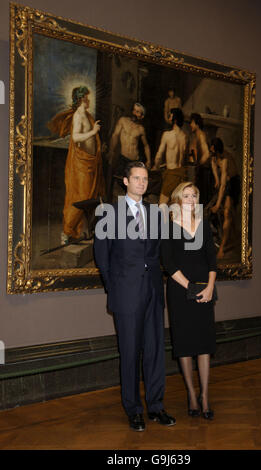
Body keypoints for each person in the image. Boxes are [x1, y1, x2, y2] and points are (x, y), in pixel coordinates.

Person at [94, 161, 176, 432]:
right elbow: (102, 256)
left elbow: (160, 252)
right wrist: (114, 287)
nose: (142, 182)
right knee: (129, 353)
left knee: (154, 350)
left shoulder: (154, 213)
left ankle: (156, 406)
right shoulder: (110, 213)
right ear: (126, 182)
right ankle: (133, 409)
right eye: (137, 178)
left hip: (153, 290)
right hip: (126, 293)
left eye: (145, 179)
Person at [161, 182, 217, 419]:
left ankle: (205, 396)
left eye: (194, 195)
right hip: (180, 292)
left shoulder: (204, 226)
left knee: (204, 344)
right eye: (186, 195)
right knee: (184, 345)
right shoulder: (168, 227)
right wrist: (191, 287)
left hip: (205, 291)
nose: (191, 199)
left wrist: (211, 287)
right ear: (177, 199)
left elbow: (212, 261)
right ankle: (192, 395)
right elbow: (168, 263)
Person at [48, 86, 105, 244]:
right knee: (81, 197)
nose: (89, 100)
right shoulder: (79, 116)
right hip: (81, 163)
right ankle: (66, 232)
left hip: (90, 162)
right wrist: (93, 132)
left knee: (90, 196)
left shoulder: (87, 114)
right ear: (80, 99)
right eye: (86, 97)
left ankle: (79, 232)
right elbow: (75, 137)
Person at [210, 137, 241, 259]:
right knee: (229, 215)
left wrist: (217, 205)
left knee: (227, 212)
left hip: (233, 184)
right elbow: (212, 164)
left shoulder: (225, 161)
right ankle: (232, 238)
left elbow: (223, 185)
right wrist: (216, 179)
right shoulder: (214, 156)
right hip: (225, 182)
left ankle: (222, 248)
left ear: (217, 150)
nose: (211, 153)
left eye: (213, 151)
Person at [152, 108, 187, 205]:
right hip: (182, 174)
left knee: (162, 205)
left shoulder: (167, 135)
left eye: (171, 115)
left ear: (175, 120)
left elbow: (159, 155)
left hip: (172, 175)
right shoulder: (184, 136)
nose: (169, 118)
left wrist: (156, 166)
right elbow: (182, 158)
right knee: (173, 207)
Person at [189, 113, 218, 206]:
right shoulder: (197, 135)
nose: (190, 125)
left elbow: (206, 153)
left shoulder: (201, 135)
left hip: (203, 173)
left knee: (200, 201)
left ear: (197, 124)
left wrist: (199, 164)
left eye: (192, 123)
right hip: (200, 171)